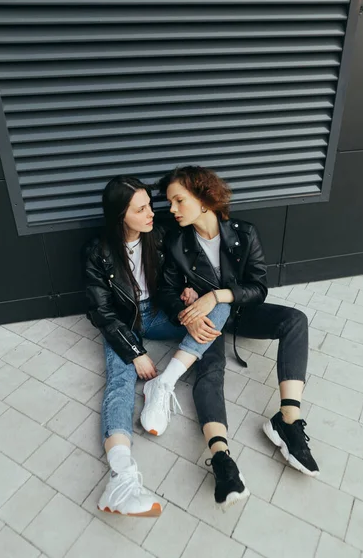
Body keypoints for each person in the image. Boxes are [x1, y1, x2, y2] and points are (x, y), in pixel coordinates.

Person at [84, 175, 247, 517]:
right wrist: (135, 352)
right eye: (140, 209)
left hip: (158, 315)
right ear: (120, 217)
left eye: (149, 206)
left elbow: (174, 282)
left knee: (218, 307)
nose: (151, 214)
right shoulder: (97, 251)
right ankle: (121, 476)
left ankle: (165, 381)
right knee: (120, 379)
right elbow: (102, 312)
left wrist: (186, 297)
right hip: (124, 324)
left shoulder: (160, 237)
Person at [157, 166, 319, 478]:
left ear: (204, 199)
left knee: (295, 320)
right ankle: (220, 456)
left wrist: (217, 295)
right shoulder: (176, 242)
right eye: (170, 203)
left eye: (178, 200)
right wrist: (185, 315)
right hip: (205, 321)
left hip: (242, 313)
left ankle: (287, 420)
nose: (172, 209)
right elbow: (165, 291)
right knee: (210, 368)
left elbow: (258, 288)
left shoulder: (244, 234)